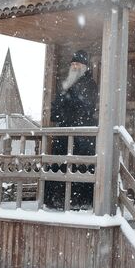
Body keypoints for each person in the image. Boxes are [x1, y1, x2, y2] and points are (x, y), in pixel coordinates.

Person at [44, 50, 98, 210]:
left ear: (85, 67)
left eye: (77, 64)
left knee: (79, 168)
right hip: (64, 134)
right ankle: (57, 201)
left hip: (81, 135)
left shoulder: (89, 84)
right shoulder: (66, 84)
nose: (74, 67)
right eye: (72, 64)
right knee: (60, 165)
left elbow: (85, 107)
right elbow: (55, 112)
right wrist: (65, 100)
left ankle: (79, 202)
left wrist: (68, 102)